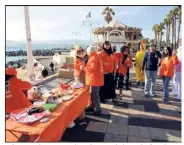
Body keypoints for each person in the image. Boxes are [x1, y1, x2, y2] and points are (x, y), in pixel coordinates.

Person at [85, 45, 104, 115]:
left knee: (95, 94)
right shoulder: (95, 56)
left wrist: (84, 68)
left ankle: (98, 109)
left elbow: (93, 69)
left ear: (90, 51)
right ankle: (92, 106)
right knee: (92, 93)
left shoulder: (93, 58)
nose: (86, 52)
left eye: (87, 51)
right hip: (95, 79)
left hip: (94, 79)